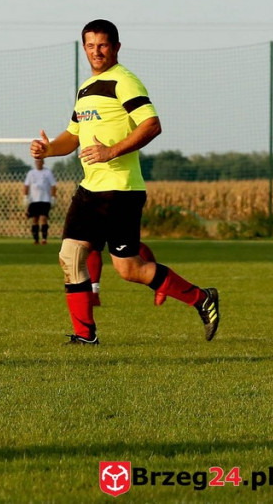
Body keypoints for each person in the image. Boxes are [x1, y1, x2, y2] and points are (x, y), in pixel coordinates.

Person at [30, 19, 218, 345]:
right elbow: (73, 136)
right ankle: (85, 336)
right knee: (70, 256)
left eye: (102, 45)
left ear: (116, 47)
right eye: (90, 45)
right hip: (90, 189)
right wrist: (48, 149)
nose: (96, 51)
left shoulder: (124, 82)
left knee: (130, 269)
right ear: (84, 48)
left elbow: (151, 125)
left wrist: (110, 151)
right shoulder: (85, 89)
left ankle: (201, 298)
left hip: (120, 190)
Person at [22, 158, 56, 245]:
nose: (38, 163)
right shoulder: (31, 173)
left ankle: (44, 238)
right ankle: (36, 239)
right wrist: (25, 197)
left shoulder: (48, 172)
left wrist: (53, 197)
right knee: (34, 219)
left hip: (45, 199)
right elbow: (26, 185)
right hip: (34, 200)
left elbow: (53, 185)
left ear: (43, 162)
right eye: (37, 161)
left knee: (43, 218)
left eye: (40, 161)